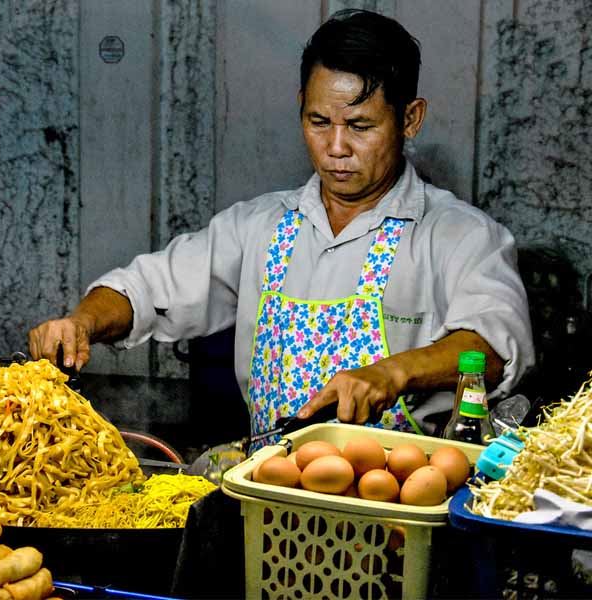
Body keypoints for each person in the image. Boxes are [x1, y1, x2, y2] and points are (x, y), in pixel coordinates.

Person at [29, 9, 534, 443]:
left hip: (403, 505)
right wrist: (83, 323)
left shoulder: (459, 236)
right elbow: (144, 288)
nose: (336, 148)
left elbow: (490, 345)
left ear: (410, 119)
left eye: (360, 126)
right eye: (319, 123)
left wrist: (391, 373)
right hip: (272, 504)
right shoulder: (261, 227)